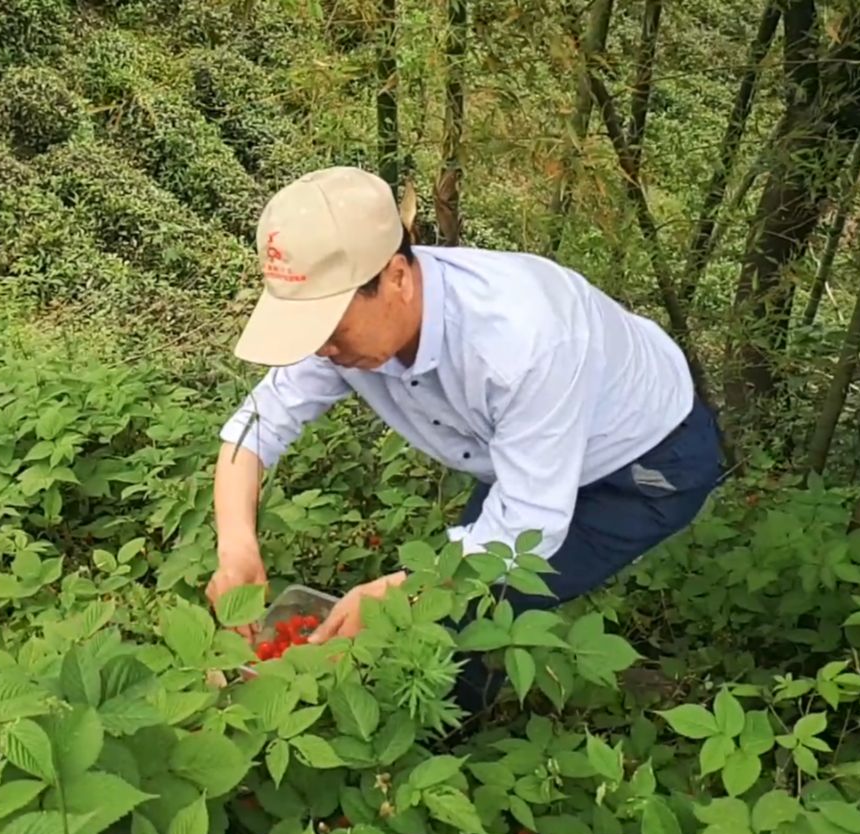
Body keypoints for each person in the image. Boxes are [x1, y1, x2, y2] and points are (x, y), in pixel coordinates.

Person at [205, 166, 725, 715]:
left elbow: (528, 528)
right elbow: (257, 425)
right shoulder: (343, 334)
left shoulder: (523, 339)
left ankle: (436, 728)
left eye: (332, 329)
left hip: (646, 463)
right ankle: (430, 707)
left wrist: (398, 591)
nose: (324, 350)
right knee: (449, 585)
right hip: (527, 456)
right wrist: (237, 546)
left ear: (397, 276)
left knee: (476, 600)